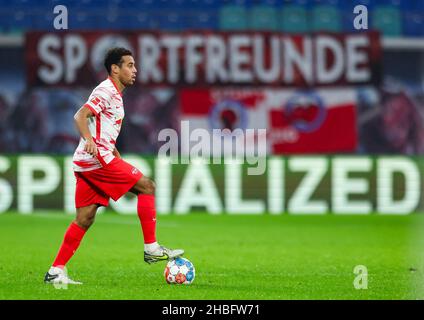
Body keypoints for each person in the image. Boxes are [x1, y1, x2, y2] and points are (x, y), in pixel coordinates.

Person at [44, 47, 184, 285]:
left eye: (134, 65)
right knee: (147, 186)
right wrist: (89, 140)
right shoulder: (106, 89)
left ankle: (56, 270)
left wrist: (113, 153)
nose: (135, 70)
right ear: (115, 69)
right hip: (96, 159)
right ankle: (151, 248)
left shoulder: (115, 95)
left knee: (85, 218)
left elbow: (104, 131)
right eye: (129, 65)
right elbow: (80, 115)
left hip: (88, 160)